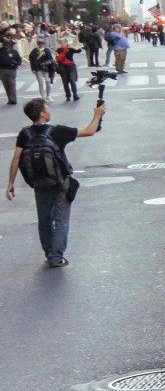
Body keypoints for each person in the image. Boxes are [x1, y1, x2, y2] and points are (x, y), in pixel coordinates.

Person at [8, 92, 105, 267]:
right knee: (61, 219)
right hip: (60, 181)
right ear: (43, 114)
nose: (49, 110)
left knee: (44, 219)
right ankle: (56, 256)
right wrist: (97, 115)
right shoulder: (57, 131)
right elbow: (90, 131)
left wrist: (10, 183)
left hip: (39, 183)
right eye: (47, 108)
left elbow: (16, 158)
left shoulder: (25, 134)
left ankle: (48, 253)